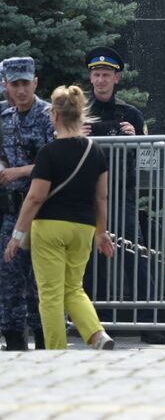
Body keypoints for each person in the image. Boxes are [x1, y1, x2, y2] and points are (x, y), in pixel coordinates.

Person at [3, 85, 115, 350]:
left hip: (50, 227)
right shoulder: (96, 151)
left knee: (50, 294)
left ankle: (56, 352)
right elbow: (101, 197)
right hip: (84, 227)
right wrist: (101, 232)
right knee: (73, 288)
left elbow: (35, 198)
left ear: (54, 115)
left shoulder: (48, 153)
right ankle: (98, 335)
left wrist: (16, 236)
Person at [82, 47, 157, 342]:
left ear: (116, 78)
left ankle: (148, 324)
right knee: (87, 259)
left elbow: (152, 159)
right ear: (90, 78)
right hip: (86, 198)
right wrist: (78, 136)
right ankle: (89, 324)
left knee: (134, 256)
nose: (100, 80)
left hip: (121, 196)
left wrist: (136, 140)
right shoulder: (80, 112)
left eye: (106, 75)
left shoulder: (131, 114)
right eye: (96, 74)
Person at [0, 57, 53, 349]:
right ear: (5, 86)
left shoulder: (48, 115)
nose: (21, 90)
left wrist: (17, 172)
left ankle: (45, 339)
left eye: (25, 83)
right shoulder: (4, 117)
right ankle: (14, 339)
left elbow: (55, 162)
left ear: (34, 82)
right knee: (9, 278)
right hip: (12, 208)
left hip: (44, 208)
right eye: (14, 84)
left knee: (39, 280)